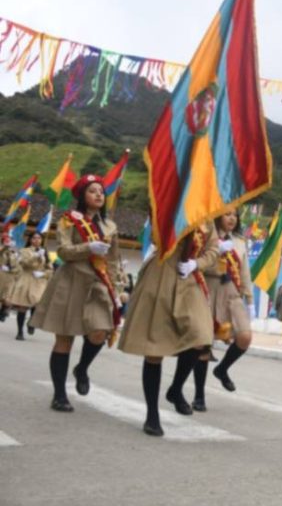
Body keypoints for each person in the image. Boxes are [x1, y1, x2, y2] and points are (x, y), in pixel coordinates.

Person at [30, 175, 126, 412]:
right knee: (64, 339)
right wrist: (88, 248)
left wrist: (116, 288)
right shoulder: (69, 221)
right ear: (83, 196)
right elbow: (63, 251)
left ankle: (82, 368)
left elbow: (113, 261)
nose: (99, 195)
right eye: (93, 191)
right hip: (71, 282)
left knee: (99, 332)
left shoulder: (110, 226)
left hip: (98, 285)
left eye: (101, 191)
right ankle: (60, 394)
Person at [119, 223, 220, 435]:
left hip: (190, 276)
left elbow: (213, 250)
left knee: (200, 337)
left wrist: (197, 263)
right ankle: (152, 415)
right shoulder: (168, 202)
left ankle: (175, 388)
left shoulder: (207, 217)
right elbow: (157, 237)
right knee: (154, 349)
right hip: (161, 273)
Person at [200, 209, 255, 405]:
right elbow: (200, 262)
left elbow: (245, 272)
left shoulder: (240, 241)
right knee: (204, 343)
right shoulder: (206, 236)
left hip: (232, 288)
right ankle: (199, 395)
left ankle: (222, 369)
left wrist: (250, 300)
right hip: (208, 286)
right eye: (227, 214)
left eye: (235, 214)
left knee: (245, 336)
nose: (232, 218)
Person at [6, 230, 52, 340]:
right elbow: (24, 264)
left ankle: (31, 322)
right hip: (26, 280)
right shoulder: (24, 251)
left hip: (39, 282)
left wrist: (43, 273)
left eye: (39, 238)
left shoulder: (45, 252)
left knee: (37, 303)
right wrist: (35, 256)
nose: (37, 240)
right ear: (30, 240)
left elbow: (50, 268)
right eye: (34, 238)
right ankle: (20, 332)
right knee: (23, 307)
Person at [0, 232, 19, 322]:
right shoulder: (2, 249)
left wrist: (11, 270)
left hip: (9, 277)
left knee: (7, 298)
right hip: (1, 275)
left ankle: (3, 311)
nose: (9, 242)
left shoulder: (14, 253)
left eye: (10, 240)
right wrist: (5, 247)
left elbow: (17, 267)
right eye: (7, 240)